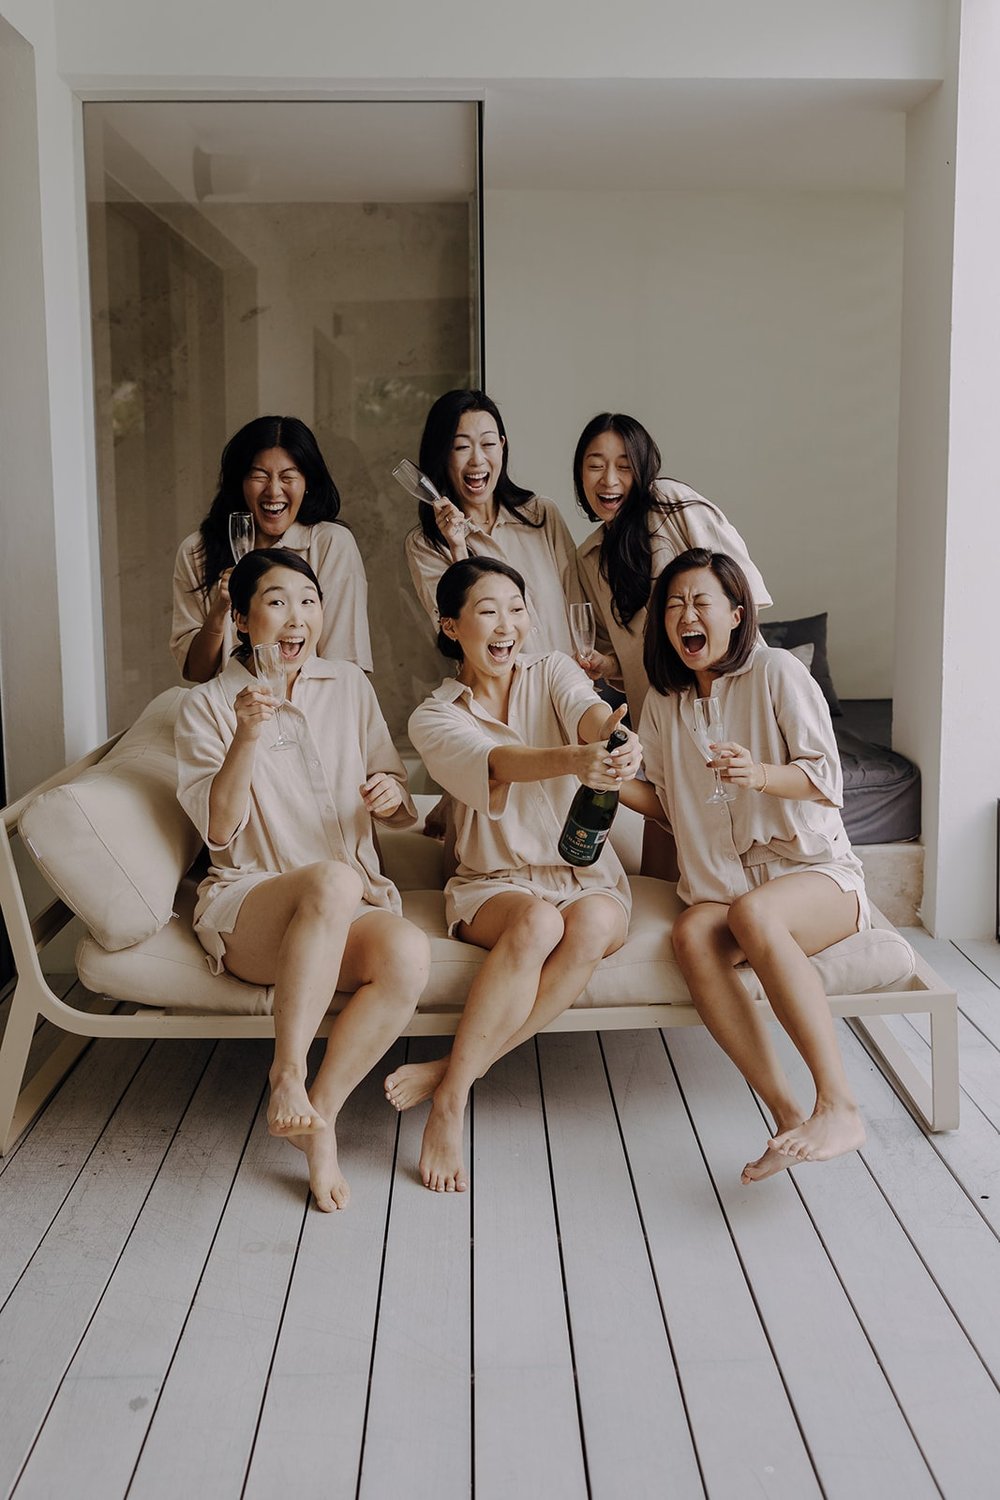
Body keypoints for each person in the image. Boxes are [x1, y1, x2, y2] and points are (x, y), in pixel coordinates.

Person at [174, 548, 428, 1211]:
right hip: (253, 906)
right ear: (242, 616)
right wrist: (246, 738)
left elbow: (400, 800)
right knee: (334, 884)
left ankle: (319, 1121)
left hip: (345, 903)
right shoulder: (207, 706)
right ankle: (287, 1072)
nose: (298, 616)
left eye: (309, 601)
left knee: (407, 953)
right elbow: (219, 832)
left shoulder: (348, 684)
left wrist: (388, 796)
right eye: (278, 600)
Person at [391, 557, 641, 1193]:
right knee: (534, 923)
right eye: (486, 611)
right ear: (450, 626)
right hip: (494, 881)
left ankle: (452, 1075)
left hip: (585, 873)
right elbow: (496, 763)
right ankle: (452, 1107)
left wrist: (612, 737)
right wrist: (575, 759)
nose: (507, 625)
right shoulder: (434, 717)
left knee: (588, 927)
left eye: (516, 608)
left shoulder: (553, 669)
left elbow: (585, 712)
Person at [621, 547, 867, 1183]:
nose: (685, 616)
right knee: (692, 933)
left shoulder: (777, 672)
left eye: (700, 602)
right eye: (673, 606)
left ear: (735, 613)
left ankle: (839, 1105)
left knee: (754, 914)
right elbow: (669, 803)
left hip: (816, 875)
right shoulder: (663, 703)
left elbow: (826, 777)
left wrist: (758, 773)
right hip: (728, 886)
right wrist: (607, 778)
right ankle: (788, 1117)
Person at [573, 412, 771, 723]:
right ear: (580, 474)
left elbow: (744, 591)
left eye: (624, 466)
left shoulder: (669, 503)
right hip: (660, 718)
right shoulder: (588, 558)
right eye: (596, 465)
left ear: (642, 469)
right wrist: (608, 666)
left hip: (729, 701)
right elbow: (629, 655)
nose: (609, 480)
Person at [171, 415, 372, 682]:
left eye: (288, 477)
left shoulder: (331, 543)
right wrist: (220, 609)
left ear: (308, 482)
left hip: (311, 713)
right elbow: (197, 672)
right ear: (239, 482)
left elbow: (344, 666)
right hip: (226, 713)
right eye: (259, 476)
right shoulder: (197, 550)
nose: (273, 491)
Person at [404, 389, 582, 656]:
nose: (477, 459)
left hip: (572, 688)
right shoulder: (426, 544)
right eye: (461, 447)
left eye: (487, 444)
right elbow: (457, 638)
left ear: (502, 445)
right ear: (442, 455)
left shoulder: (542, 515)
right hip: (502, 696)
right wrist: (458, 549)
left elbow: (579, 607)